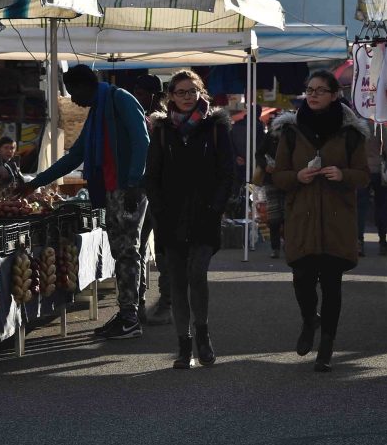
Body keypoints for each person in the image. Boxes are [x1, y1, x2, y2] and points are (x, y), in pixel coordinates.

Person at [24, 65, 150, 339]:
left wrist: (133, 182)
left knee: (127, 252)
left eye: (73, 92)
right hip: (111, 190)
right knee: (122, 252)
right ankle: (128, 314)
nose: (73, 99)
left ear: (86, 86)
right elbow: (75, 155)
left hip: (127, 190)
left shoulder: (120, 99)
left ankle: (130, 318)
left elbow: (142, 141)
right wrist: (36, 182)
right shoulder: (97, 111)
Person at [272, 70, 368, 372]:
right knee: (301, 279)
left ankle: (326, 347)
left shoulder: (351, 134)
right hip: (301, 218)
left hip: (337, 221)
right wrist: (297, 176)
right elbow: (278, 176)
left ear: (334, 95)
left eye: (320, 90)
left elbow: (364, 176)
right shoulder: (290, 131)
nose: (313, 95)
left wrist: (343, 174)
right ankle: (308, 319)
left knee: (331, 285)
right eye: (310, 90)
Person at [144, 70, 234, 368]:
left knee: (197, 274)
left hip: (204, 215)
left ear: (201, 93)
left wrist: (216, 207)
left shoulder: (215, 127)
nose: (186, 97)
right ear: (170, 96)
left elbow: (228, 173)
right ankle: (184, 346)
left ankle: (203, 336)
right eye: (180, 92)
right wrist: (159, 208)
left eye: (192, 91)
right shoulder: (162, 130)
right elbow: (151, 175)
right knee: (177, 281)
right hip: (171, 218)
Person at [132, 74, 172, 325]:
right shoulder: (136, 116)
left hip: (161, 195)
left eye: (140, 93)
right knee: (137, 249)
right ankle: (138, 303)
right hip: (140, 192)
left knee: (163, 252)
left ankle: (166, 304)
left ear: (153, 95)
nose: (137, 97)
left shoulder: (165, 123)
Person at [358, 121, 387, 256]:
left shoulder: (356, 125)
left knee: (360, 207)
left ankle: (359, 242)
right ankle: (383, 241)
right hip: (379, 170)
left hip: (361, 169)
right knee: (382, 205)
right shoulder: (379, 125)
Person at [255, 110, 285, 259]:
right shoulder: (270, 136)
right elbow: (259, 153)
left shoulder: (294, 136)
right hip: (271, 179)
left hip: (289, 180)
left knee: (288, 215)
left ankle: (287, 244)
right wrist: (265, 165)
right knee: (274, 217)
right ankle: (275, 247)